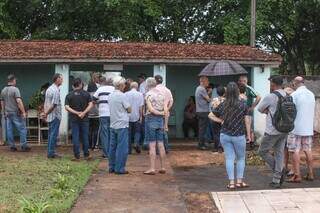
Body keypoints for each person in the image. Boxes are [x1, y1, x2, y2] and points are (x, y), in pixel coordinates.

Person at [209, 82, 251, 189]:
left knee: (229, 158)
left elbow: (210, 115)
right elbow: (247, 120)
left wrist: (221, 120)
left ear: (227, 92)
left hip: (225, 135)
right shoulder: (243, 104)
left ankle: (231, 183)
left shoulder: (223, 104)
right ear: (237, 91)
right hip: (239, 135)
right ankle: (239, 181)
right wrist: (249, 134)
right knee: (241, 158)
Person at [258, 75, 287, 188]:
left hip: (272, 130)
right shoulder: (287, 95)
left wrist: (269, 111)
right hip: (285, 129)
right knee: (279, 153)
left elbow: (260, 109)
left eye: (270, 83)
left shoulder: (270, 96)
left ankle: (279, 171)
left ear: (273, 84)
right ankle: (276, 180)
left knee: (262, 151)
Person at [287, 76, 316, 182]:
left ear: (295, 83)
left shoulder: (294, 95)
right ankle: (310, 173)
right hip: (308, 127)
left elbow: (289, 110)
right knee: (308, 150)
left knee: (295, 151)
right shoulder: (311, 94)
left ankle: (297, 175)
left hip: (296, 128)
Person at [143, 77, 167, 175]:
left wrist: (158, 113)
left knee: (152, 145)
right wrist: (163, 115)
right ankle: (163, 167)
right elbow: (166, 109)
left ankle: (152, 168)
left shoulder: (148, 95)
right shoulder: (162, 94)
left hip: (151, 119)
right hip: (160, 121)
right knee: (161, 144)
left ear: (148, 85)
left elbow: (151, 109)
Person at [65, 78, 93, 161]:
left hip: (74, 119)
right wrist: (83, 113)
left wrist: (76, 113)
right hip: (84, 118)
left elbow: (66, 107)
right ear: (81, 84)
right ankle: (86, 155)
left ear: (73, 85)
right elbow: (91, 104)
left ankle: (76, 155)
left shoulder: (69, 95)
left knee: (75, 136)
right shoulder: (86, 94)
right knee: (85, 136)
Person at [0, 74, 30, 152]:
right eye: (15, 80)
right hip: (15, 112)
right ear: (13, 80)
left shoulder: (3, 90)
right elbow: (18, 101)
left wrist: (3, 112)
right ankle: (24, 146)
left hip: (7, 113)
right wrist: (23, 112)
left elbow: (2, 102)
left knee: (9, 130)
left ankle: (12, 146)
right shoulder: (15, 89)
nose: (15, 81)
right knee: (22, 129)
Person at [108, 76, 131, 175]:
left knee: (112, 147)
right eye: (124, 84)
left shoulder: (110, 95)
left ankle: (111, 167)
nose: (125, 86)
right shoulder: (123, 96)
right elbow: (129, 109)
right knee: (122, 148)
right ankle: (120, 168)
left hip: (113, 123)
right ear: (121, 85)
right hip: (122, 124)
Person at [93, 76, 115, 158]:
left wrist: (99, 103)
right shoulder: (113, 89)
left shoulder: (100, 89)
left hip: (103, 114)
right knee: (112, 132)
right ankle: (112, 152)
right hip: (113, 114)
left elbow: (93, 99)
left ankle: (106, 153)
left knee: (104, 134)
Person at [43, 73, 63, 158]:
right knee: (53, 134)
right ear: (57, 79)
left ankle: (50, 152)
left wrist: (45, 113)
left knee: (51, 134)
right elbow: (54, 105)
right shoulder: (55, 91)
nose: (62, 80)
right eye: (61, 78)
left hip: (50, 115)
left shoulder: (49, 89)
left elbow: (46, 103)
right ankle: (51, 153)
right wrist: (46, 113)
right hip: (55, 115)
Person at [238, 75, 261, 146]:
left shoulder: (249, 88)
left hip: (247, 109)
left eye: (240, 81)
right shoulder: (240, 88)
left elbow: (259, 97)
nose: (239, 82)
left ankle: (251, 142)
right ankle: (248, 141)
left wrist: (253, 106)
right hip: (241, 110)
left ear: (244, 81)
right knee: (244, 126)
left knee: (248, 126)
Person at [155, 75, 173, 153]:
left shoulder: (154, 90)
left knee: (156, 131)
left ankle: (158, 150)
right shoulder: (167, 90)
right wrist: (167, 109)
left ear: (155, 81)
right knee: (164, 130)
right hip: (165, 112)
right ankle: (166, 148)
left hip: (155, 113)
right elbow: (171, 101)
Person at [125, 81, 144, 154]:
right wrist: (141, 116)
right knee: (137, 132)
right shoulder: (140, 95)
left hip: (128, 116)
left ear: (130, 87)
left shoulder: (126, 94)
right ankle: (136, 143)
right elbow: (140, 107)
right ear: (137, 87)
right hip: (137, 116)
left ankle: (129, 150)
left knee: (128, 133)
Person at [195, 76, 211, 150]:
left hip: (200, 111)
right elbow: (208, 100)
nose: (208, 83)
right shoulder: (202, 89)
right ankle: (201, 145)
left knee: (202, 128)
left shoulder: (198, 88)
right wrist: (210, 93)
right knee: (203, 129)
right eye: (207, 81)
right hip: (203, 111)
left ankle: (202, 143)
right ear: (203, 81)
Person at [209, 86, 226, 152]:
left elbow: (212, 108)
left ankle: (217, 147)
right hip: (223, 118)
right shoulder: (226, 100)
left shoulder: (214, 99)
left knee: (216, 133)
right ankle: (221, 147)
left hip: (215, 118)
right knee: (222, 133)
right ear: (224, 93)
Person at [87, 73, 100, 151]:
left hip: (88, 114)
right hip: (96, 114)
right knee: (96, 130)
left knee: (89, 130)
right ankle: (94, 146)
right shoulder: (97, 95)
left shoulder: (87, 94)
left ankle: (88, 146)